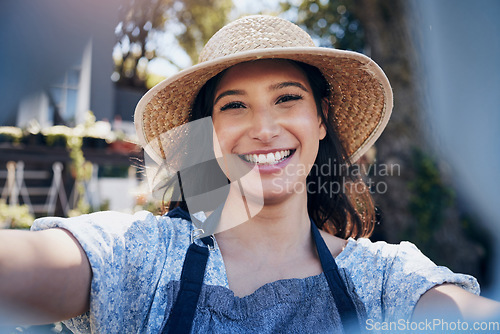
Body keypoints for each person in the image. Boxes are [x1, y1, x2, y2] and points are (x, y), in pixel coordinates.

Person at [1, 15, 499, 333]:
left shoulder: (383, 280)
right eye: (234, 106)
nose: (264, 128)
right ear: (209, 133)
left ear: (321, 119)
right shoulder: (139, 258)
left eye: (287, 98)